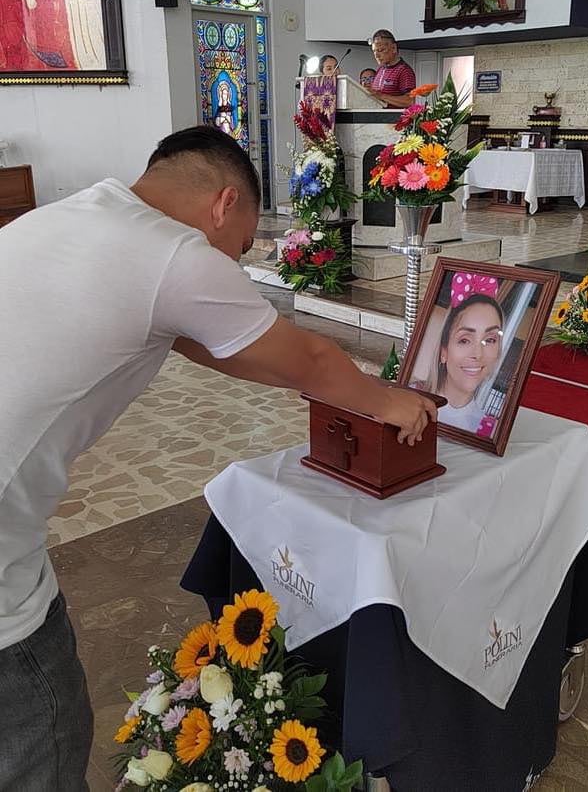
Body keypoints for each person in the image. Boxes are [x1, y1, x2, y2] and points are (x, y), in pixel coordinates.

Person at [0, 125, 436, 790]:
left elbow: (202, 341)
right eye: (234, 252)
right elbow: (314, 356)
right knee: (44, 740)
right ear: (225, 203)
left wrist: (300, 379)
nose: (228, 266)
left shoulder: (66, 216)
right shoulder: (172, 253)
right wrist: (388, 401)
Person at [421, 274, 504, 435]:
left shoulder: (491, 430)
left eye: (490, 340)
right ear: (443, 351)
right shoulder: (411, 397)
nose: (478, 354)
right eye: (465, 340)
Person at [368, 29, 416, 109]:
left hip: (395, 120)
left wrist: (381, 95)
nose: (377, 55)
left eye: (381, 50)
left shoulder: (404, 71)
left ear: (393, 48)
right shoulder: (381, 69)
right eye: (374, 51)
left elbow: (409, 101)